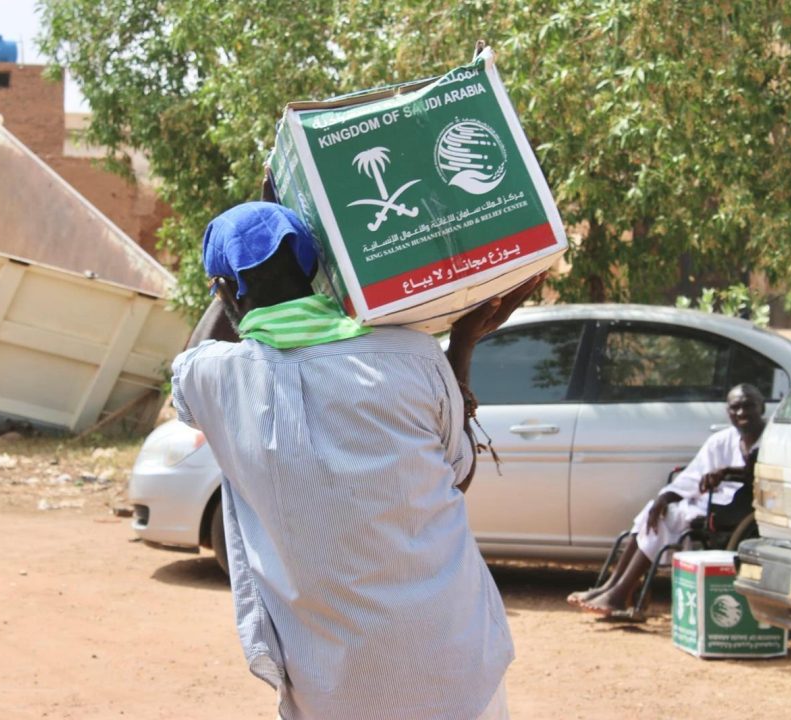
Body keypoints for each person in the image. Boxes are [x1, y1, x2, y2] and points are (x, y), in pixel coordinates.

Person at [171, 201, 545, 720]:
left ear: (227, 291)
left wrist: (225, 287)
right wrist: (460, 346)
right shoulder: (412, 355)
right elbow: (457, 476)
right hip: (456, 662)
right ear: (314, 268)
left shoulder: (217, 379)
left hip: (335, 688)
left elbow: (188, 361)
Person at [568, 383, 766, 617]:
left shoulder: (774, 439)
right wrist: (663, 498)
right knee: (656, 510)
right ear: (728, 412)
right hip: (710, 501)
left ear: (761, 407)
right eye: (735, 408)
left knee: (671, 517)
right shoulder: (721, 440)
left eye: (748, 406)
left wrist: (727, 472)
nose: (742, 413)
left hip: (746, 505)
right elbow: (693, 475)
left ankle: (621, 593)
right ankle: (611, 587)